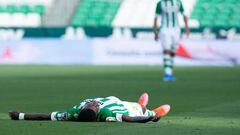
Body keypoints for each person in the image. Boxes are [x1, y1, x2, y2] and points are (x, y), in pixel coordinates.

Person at [9, 93, 170, 123]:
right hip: (127, 108)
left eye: (90, 105)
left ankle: (144, 103)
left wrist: (21, 116)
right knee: (140, 109)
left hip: (111, 98)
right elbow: (129, 119)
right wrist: (149, 118)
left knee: (139, 106)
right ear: (96, 112)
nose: (93, 104)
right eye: (94, 106)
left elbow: (45, 116)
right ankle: (150, 108)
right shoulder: (107, 114)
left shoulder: (73, 113)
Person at [153, 0, 189, 81]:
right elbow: (155, 18)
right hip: (165, 29)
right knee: (167, 50)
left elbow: (184, 15)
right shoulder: (160, 4)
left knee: (173, 51)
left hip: (176, 29)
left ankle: (170, 72)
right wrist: (155, 32)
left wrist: (187, 28)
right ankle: (167, 74)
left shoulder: (178, 2)